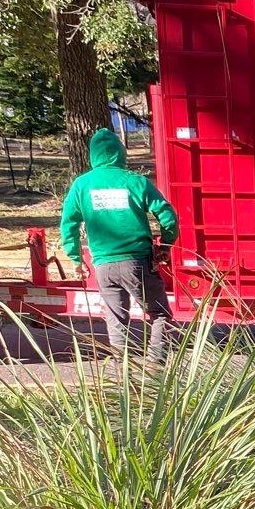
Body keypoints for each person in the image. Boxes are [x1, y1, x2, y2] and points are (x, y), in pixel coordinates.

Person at [59, 129, 179, 363]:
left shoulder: (81, 185)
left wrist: (75, 259)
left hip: (103, 265)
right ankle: (156, 367)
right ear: (120, 153)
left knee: (116, 322)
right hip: (137, 262)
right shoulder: (135, 181)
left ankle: (124, 378)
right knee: (159, 314)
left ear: (93, 155)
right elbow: (167, 215)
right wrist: (165, 244)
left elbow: (68, 225)